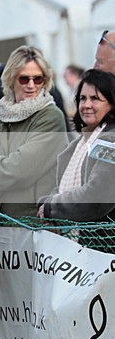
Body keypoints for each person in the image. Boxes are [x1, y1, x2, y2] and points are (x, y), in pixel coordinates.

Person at [0, 46, 68, 219]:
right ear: (11, 79)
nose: (31, 85)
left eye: (38, 79)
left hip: (33, 225)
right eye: (24, 79)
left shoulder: (51, 117)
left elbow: (17, 172)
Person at [37, 69, 115, 236]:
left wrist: (51, 207)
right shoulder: (75, 147)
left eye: (95, 99)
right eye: (82, 98)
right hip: (74, 248)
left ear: (112, 103)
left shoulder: (111, 142)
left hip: (104, 250)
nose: (86, 105)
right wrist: (46, 204)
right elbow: (60, 190)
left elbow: (97, 197)